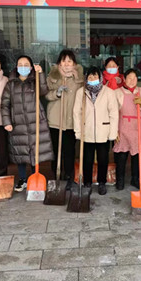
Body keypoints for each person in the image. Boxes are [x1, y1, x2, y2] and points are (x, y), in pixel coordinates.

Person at [1, 55, 54, 192]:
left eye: (26, 65)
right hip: (17, 123)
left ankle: (35, 176)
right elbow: (5, 104)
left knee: (35, 151)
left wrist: (40, 74)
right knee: (21, 153)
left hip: (35, 122)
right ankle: (23, 179)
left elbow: (43, 90)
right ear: (16, 67)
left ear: (31, 67)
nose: (23, 67)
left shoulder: (34, 81)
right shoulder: (11, 84)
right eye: (20, 64)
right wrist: (7, 122)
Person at [73, 66, 118, 195]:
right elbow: (76, 113)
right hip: (87, 131)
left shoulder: (109, 92)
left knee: (103, 159)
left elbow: (114, 113)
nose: (93, 79)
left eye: (95, 76)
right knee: (87, 159)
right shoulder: (81, 92)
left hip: (103, 131)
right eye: (90, 76)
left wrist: (113, 133)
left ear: (100, 77)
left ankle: (102, 182)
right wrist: (78, 131)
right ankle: (87, 182)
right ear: (86, 78)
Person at [46, 49, 84, 190]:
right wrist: (56, 93)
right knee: (56, 151)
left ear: (74, 64)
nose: (67, 64)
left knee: (69, 151)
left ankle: (69, 177)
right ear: (59, 63)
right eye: (64, 61)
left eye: (70, 61)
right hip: (56, 120)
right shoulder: (52, 77)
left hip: (71, 121)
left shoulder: (79, 79)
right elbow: (46, 94)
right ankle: (57, 175)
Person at [113, 68, 141, 190]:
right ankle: (120, 180)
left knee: (137, 156)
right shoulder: (117, 92)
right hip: (123, 127)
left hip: (138, 127)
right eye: (129, 78)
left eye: (134, 78)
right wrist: (114, 130)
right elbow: (113, 112)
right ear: (124, 79)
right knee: (121, 155)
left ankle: (136, 179)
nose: (132, 80)